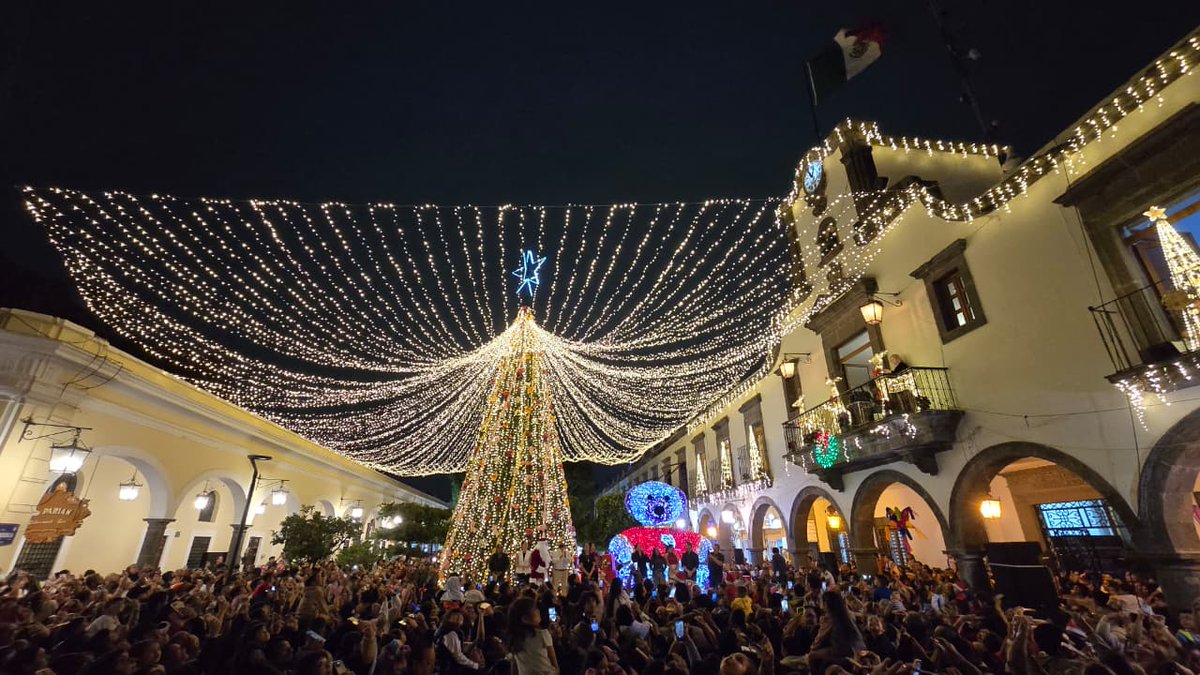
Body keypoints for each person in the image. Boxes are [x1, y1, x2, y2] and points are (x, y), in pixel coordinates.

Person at [506, 596, 557, 675]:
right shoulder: (542, 634)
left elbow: (514, 666)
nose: (538, 611)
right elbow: (554, 662)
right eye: (535, 609)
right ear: (525, 619)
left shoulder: (514, 639)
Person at [436, 608, 483, 673]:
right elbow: (458, 656)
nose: (459, 617)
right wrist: (475, 665)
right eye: (455, 615)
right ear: (448, 618)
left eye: (460, 615)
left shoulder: (446, 630)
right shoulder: (451, 633)